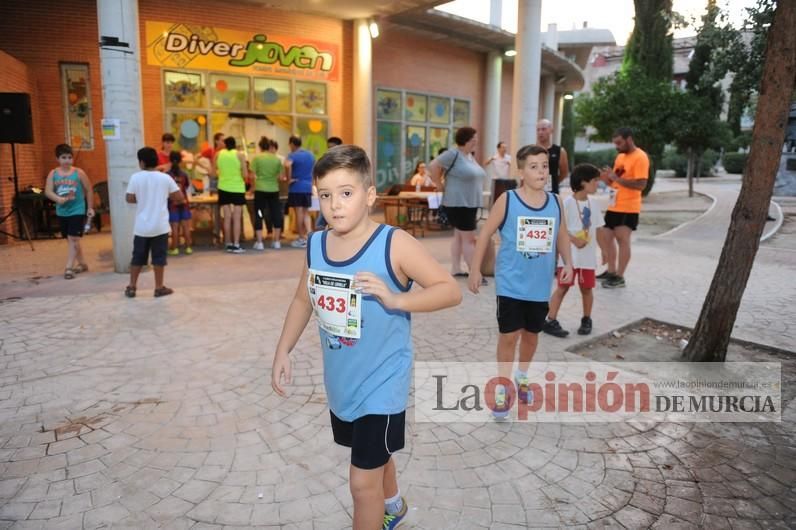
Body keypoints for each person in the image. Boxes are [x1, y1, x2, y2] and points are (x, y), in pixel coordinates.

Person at [271, 145, 461, 530]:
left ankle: (379, 506)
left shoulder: (394, 244)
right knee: (371, 455)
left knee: (361, 483)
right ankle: (393, 504)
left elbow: (448, 290)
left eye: (346, 193)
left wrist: (396, 297)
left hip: (383, 384)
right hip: (342, 382)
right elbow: (301, 296)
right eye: (325, 195)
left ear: (369, 195)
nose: (334, 205)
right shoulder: (317, 245)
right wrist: (282, 349)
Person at [467, 145, 573, 418]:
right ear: (522, 171)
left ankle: (522, 376)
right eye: (534, 166)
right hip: (510, 282)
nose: (541, 171)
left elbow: (562, 234)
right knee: (508, 335)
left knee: (531, 335)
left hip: (539, 285)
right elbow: (486, 233)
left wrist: (568, 263)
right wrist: (475, 269)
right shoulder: (509, 200)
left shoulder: (555, 202)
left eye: (544, 166)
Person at [543, 164, 604, 338]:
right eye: (595, 181)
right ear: (583, 182)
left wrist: (605, 251)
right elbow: (558, 228)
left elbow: (598, 229)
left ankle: (586, 319)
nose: (597, 184)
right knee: (563, 287)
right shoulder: (567, 203)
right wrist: (573, 239)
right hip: (568, 258)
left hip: (587, 258)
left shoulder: (594, 204)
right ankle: (550, 319)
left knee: (587, 288)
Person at [429, 126, 487, 280]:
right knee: (468, 239)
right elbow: (433, 165)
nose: (476, 140)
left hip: (468, 202)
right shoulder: (453, 153)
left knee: (459, 237)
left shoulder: (469, 156)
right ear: (467, 139)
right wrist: (439, 184)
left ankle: (455, 268)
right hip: (459, 203)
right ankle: (474, 273)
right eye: (474, 138)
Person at [124, 147, 183, 298]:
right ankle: (159, 287)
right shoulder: (165, 178)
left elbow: (129, 198)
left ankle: (132, 287)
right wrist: (163, 196)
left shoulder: (135, 177)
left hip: (142, 227)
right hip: (160, 226)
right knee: (159, 258)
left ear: (141, 162)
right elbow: (179, 197)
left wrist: (143, 199)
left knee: (137, 257)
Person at [596, 127, 649, 288]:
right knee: (606, 236)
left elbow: (641, 184)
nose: (617, 146)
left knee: (622, 240)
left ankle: (620, 277)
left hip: (629, 207)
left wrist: (616, 179)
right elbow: (614, 181)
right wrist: (606, 179)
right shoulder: (620, 157)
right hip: (614, 204)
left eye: (619, 143)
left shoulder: (640, 157)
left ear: (629, 139)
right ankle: (611, 271)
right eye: (615, 143)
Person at [44, 144, 95, 279]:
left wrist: (90, 207)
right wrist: (58, 199)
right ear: (57, 158)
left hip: (77, 210)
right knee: (71, 239)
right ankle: (83, 264)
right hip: (62, 211)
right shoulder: (53, 174)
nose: (67, 160)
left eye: (69, 157)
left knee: (73, 238)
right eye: (63, 157)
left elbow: (89, 189)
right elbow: (48, 191)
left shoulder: (79, 173)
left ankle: (68, 268)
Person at [214, 136, 248, 253]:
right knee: (237, 217)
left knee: (227, 216)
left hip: (223, 187)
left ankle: (227, 242)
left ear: (224, 144)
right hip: (237, 188)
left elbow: (214, 172)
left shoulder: (218, 155)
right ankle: (236, 244)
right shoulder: (240, 155)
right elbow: (245, 174)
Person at [252, 136, 286, 250]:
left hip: (260, 189)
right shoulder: (276, 159)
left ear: (260, 146)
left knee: (259, 214)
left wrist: (252, 187)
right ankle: (276, 241)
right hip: (274, 190)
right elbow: (281, 177)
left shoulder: (257, 158)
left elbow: (251, 175)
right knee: (276, 213)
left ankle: (260, 242)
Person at [284, 135, 315, 247]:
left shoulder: (292, 155)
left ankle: (301, 238)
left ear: (292, 144)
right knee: (306, 212)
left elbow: (287, 165)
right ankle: (310, 236)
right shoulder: (310, 155)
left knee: (298, 213)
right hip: (307, 187)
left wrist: (289, 178)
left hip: (296, 187)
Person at [166, 151, 193, 256]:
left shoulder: (167, 175)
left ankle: (175, 248)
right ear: (181, 161)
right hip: (184, 203)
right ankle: (188, 248)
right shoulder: (184, 174)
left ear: (170, 160)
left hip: (172, 204)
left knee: (175, 228)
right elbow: (186, 186)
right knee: (186, 227)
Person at [536, 119, 569, 194]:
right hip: (534, 190)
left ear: (551, 130)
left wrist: (554, 181)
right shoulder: (531, 150)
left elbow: (564, 172)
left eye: (543, 129)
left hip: (552, 191)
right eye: (538, 130)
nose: (540, 132)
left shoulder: (560, 151)